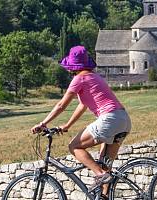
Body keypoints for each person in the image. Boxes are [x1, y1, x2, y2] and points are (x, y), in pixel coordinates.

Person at [31, 46, 131, 194]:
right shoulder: (94, 77)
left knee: (74, 146)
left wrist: (43, 123)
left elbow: (61, 105)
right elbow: (82, 105)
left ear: (72, 66)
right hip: (123, 120)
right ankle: (103, 193)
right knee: (105, 166)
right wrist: (67, 125)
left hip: (109, 119)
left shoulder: (79, 78)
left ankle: (100, 175)